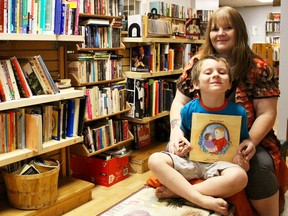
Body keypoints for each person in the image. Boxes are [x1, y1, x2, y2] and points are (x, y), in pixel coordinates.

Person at [161, 6, 288, 216]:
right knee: (168, 157)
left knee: (260, 167)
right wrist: (176, 131)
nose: (220, 33)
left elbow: (267, 113)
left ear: (239, 31)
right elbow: (179, 103)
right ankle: (194, 196)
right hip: (196, 137)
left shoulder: (258, 66)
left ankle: (269, 214)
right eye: (214, 29)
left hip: (247, 138)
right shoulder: (195, 63)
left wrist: (250, 142)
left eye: (227, 28)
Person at [148, 55, 250, 215]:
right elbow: (180, 134)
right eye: (208, 72)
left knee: (240, 177)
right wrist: (179, 145)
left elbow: (242, 141)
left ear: (229, 83)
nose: (215, 75)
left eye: (222, 72)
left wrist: (244, 155)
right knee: (155, 159)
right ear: (196, 84)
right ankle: (201, 199)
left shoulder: (239, 112)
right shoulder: (188, 109)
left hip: (220, 164)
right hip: (190, 160)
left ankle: (178, 192)